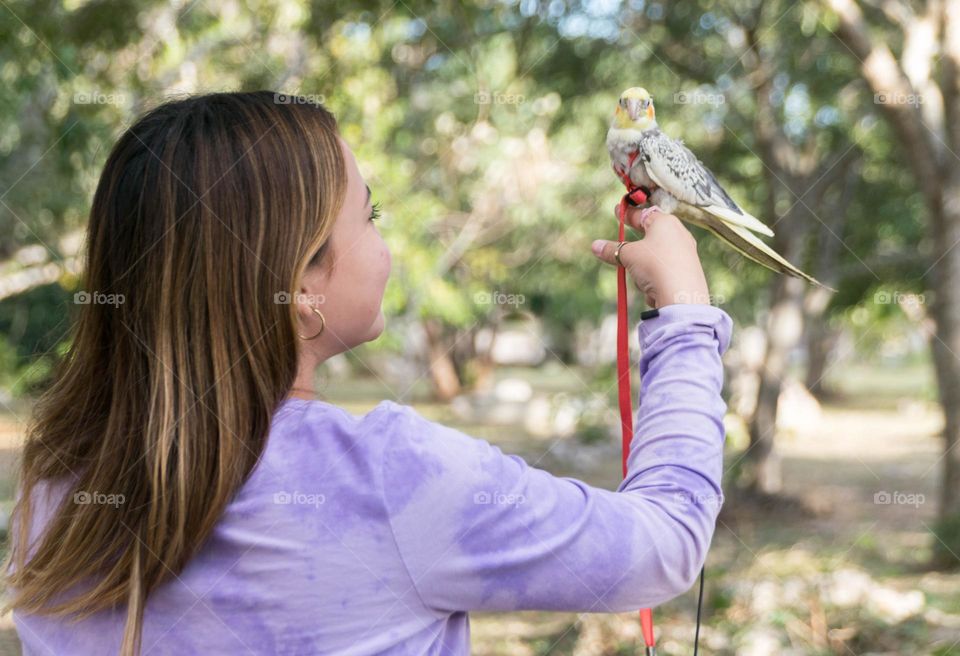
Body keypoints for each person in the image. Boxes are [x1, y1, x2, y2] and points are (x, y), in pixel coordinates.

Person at [5, 91, 731, 655]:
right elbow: (661, 544)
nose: (386, 241)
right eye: (371, 214)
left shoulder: (54, 487)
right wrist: (687, 317)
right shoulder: (389, 479)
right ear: (304, 284)